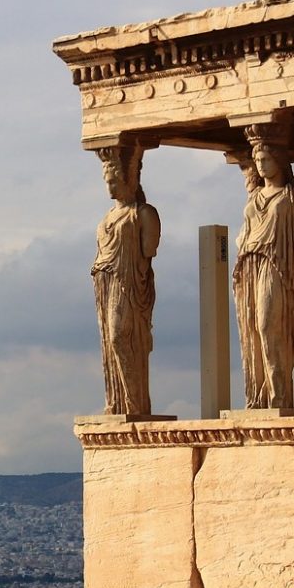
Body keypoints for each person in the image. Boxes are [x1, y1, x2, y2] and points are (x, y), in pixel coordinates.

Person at [91, 144, 161, 415]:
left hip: (128, 284)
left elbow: (148, 250)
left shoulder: (143, 213)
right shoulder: (106, 218)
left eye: (114, 181)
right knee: (109, 341)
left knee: (121, 336)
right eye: (107, 182)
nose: (109, 188)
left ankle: (135, 402)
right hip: (105, 282)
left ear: (128, 179)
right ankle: (118, 402)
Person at [233, 124, 294, 408]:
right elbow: (243, 232)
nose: (260, 165)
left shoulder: (289, 197)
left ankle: (280, 395)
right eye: (257, 160)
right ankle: (260, 397)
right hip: (250, 264)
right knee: (252, 330)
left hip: (276, 264)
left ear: (279, 160)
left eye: (266, 159)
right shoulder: (254, 196)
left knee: (268, 324)